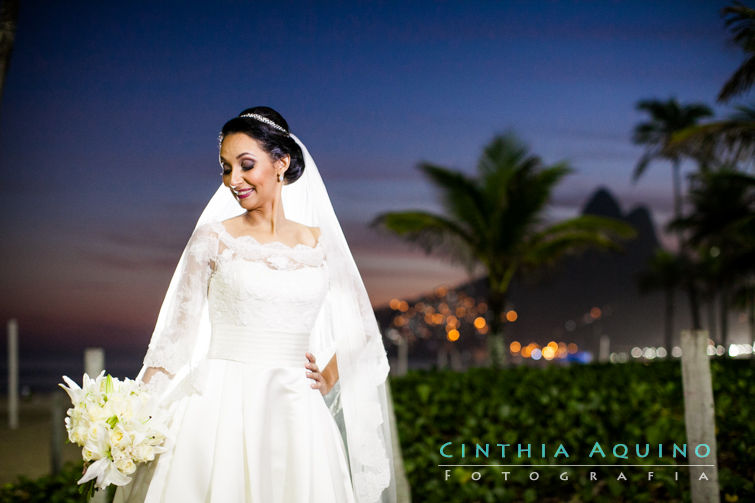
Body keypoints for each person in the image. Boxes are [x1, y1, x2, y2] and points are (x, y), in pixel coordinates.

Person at [113, 106, 397, 503]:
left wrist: (329, 377)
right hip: (214, 410)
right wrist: (126, 419)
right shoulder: (212, 239)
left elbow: (364, 329)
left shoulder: (321, 244)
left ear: (281, 163)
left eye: (246, 165)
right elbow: (173, 343)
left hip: (296, 412)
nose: (234, 180)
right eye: (226, 168)